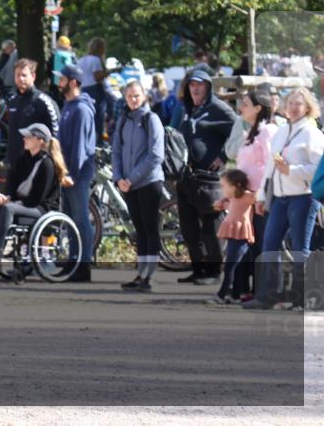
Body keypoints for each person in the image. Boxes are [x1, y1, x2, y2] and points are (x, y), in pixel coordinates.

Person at [245, 87, 324, 310]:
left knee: (300, 248)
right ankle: (268, 295)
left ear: (307, 108)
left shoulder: (313, 134)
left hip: (303, 197)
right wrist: (262, 196)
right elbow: (270, 167)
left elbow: (318, 169)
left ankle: (302, 298)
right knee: (269, 244)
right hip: (280, 197)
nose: (293, 107)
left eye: (298, 103)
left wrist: (292, 171)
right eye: (290, 103)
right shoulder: (281, 132)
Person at [0, 123, 66, 271]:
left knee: (8, 208)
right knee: (2, 208)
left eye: (28, 136)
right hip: (24, 205)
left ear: (40, 140)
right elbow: (12, 182)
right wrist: (6, 196)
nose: (24, 139)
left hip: (42, 209)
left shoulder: (47, 164)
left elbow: (38, 199)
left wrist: (12, 201)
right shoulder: (23, 159)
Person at [176, 69, 238, 285]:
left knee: (210, 227)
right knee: (189, 228)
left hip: (209, 178)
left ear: (208, 87)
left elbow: (239, 131)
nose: (195, 88)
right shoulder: (187, 108)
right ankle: (199, 269)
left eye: (200, 84)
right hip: (187, 177)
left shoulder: (218, 108)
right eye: (192, 85)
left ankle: (213, 271)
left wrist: (223, 156)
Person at [112, 80, 166, 293]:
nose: (133, 100)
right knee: (140, 230)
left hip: (149, 182)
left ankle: (150, 276)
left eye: (136, 95)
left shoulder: (151, 119)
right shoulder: (123, 120)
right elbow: (116, 151)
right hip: (129, 185)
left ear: (144, 96)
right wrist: (118, 177)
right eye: (129, 96)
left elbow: (156, 155)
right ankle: (140, 273)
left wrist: (132, 178)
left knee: (150, 229)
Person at [228, 88, 277, 301]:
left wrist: (261, 196)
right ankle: (243, 289)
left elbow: (270, 165)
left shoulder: (267, 132)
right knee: (246, 243)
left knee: (260, 245)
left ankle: (262, 291)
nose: (241, 107)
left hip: (259, 198)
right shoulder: (251, 132)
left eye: (246, 104)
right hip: (244, 197)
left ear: (258, 108)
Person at [56, 64, 96, 282]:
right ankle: (73, 259)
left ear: (73, 82)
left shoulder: (81, 109)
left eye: (62, 79)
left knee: (80, 219)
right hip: (67, 172)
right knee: (70, 219)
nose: (59, 83)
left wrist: (72, 173)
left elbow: (80, 146)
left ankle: (84, 264)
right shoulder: (68, 106)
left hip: (77, 175)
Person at [209, 169, 257, 304]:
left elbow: (258, 198)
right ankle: (235, 295)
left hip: (241, 236)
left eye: (223, 186)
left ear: (235, 186)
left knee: (230, 266)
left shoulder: (247, 196)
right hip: (233, 234)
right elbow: (228, 204)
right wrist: (221, 203)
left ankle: (222, 295)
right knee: (235, 266)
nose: (221, 189)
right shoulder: (232, 197)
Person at [4, 59, 60, 167]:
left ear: (33, 76)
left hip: (36, 163)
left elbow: (56, 136)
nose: (21, 78)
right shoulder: (12, 101)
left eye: (24, 75)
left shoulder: (44, 102)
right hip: (14, 162)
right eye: (18, 75)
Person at [77, 37, 115, 145]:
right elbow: (97, 77)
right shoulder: (96, 60)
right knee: (98, 116)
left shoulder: (81, 60)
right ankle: (99, 141)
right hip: (95, 89)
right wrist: (109, 72)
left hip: (83, 89)